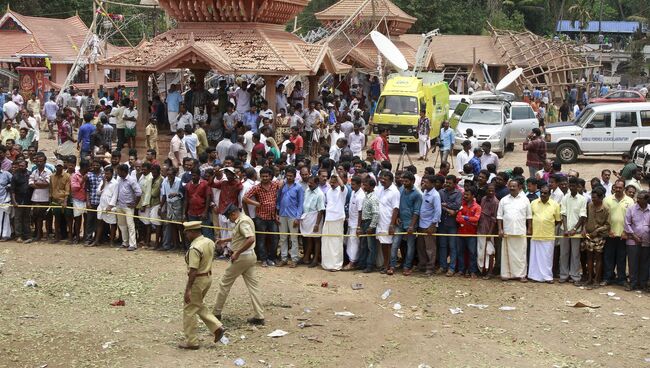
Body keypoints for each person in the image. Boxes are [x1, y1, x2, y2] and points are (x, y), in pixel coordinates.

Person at [213, 204, 265, 326]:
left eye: (229, 217)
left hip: (242, 257)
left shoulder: (242, 222)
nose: (229, 220)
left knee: (224, 283)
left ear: (233, 214)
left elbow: (250, 238)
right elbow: (240, 237)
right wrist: (225, 240)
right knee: (253, 287)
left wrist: (237, 252)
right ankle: (259, 315)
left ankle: (216, 313)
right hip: (250, 256)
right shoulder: (245, 219)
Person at [179, 221, 225, 350]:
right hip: (207, 277)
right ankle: (216, 327)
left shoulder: (195, 248)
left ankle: (192, 341)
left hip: (198, 279)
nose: (186, 235)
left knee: (189, 309)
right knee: (197, 304)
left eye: (187, 232)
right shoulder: (208, 242)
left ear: (193, 232)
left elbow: (193, 270)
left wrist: (188, 289)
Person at [497, 179, 532, 282]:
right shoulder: (503, 200)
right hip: (507, 232)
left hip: (520, 231)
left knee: (521, 255)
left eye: (514, 186)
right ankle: (506, 274)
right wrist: (500, 229)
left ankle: (521, 275)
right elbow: (499, 216)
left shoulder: (525, 200)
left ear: (519, 187)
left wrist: (529, 228)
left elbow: (529, 216)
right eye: (510, 186)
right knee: (506, 254)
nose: (512, 188)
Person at [244, 167, 279, 267]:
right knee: (261, 239)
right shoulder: (256, 187)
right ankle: (263, 259)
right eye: (263, 176)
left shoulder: (275, 185)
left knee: (275, 238)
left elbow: (282, 186)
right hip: (261, 218)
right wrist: (256, 204)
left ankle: (272, 258)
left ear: (270, 176)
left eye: (266, 176)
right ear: (260, 176)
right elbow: (245, 198)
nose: (264, 178)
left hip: (272, 217)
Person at [602, 179, 634, 286]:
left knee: (621, 258)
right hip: (610, 234)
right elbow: (603, 218)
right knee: (608, 257)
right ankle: (608, 278)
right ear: (614, 187)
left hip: (623, 235)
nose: (618, 189)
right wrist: (608, 230)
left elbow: (631, 219)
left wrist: (626, 232)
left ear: (624, 188)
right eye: (616, 187)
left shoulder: (630, 201)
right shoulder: (607, 200)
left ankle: (621, 279)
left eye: (620, 188)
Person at [389, 171, 422, 276]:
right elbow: (397, 205)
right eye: (403, 181)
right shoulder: (401, 189)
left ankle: (407, 267)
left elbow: (417, 212)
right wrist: (397, 217)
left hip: (410, 225)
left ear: (412, 181)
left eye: (406, 181)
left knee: (410, 246)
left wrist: (412, 226)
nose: (404, 183)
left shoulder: (417, 194)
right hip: (400, 223)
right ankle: (392, 266)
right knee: (395, 245)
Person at [528, 185, 561, 283]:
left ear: (549, 194)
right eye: (541, 192)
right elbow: (530, 218)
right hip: (536, 234)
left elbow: (558, 220)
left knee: (547, 258)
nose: (543, 194)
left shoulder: (555, 205)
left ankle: (547, 277)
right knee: (535, 258)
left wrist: (547, 224)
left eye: (545, 193)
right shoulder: (533, 203)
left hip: (548, 235)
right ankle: (535, 276)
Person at [108, 164, 142, 251]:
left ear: (123, 171)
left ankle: (133, 244)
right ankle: (125, 242)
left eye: (118, 171)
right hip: (120, 205)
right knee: (122, 225)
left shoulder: (131, 180)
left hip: (128, 206)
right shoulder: (119, 180)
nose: (117, 172)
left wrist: (135, 204)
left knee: (130, 225)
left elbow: (138, 193)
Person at [581, 187, 610, 287]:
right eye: (592, 197)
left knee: (598, 258)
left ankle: (597, 279)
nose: (593, 199)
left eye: (595, 198)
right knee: (589, 257)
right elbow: (585, 218)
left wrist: (597, 230)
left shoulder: (606, 209)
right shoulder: (589, 205)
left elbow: (607, 224)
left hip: (599, 237)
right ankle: (589, 278)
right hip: (589, 236)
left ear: (601, 197)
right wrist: (584, 228)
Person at [277, 166, 304, 267]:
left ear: (294, 176)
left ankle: (294, 259)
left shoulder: (299, 187)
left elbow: (300, 204)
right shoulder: (282, 186)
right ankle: (283, 258)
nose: (289, 177)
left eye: (291, 176)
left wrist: (298, 217)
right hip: (282, 214)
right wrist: (277, 212)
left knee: (294, 238)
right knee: (283, 238)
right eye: (287, 176)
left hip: (293, 216)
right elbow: (278, 200)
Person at [623, 191, 650, 291]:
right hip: (632, 241)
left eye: (640, 198)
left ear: (646, 199)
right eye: (637, 198)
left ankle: (643, 284)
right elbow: (627, 224)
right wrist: (634, 236)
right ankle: (633, 283)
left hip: (647, 242)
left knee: (645, 263)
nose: (638, 200)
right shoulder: (631, 209)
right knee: (632, 262)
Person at [321, 172, 348, 271]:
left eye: (334, 182)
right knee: (327, 242)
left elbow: (342, 186)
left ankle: (336, 265)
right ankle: (327, 264)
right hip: (328, 219)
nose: (332, 184)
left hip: (337, 219)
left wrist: (337, 175)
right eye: (331, 182)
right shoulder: (328, 192)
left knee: (336, 243)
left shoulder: (342, 191)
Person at [376, 170, 400, 274]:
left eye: (385, 179)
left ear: (391, 180)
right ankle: (385, 264)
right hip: (380, 221)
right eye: (381, 178)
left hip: (387, 222)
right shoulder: (381, 189)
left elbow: (396, 208)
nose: (382, 181)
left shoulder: (394, 191)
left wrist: (392, 224)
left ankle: (389, 265)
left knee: (388, 244)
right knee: (383, 244)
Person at [456, 185, 481, 278]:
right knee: (460, 252)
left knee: (472, 253)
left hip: (471, 234)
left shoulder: (477, 207)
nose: (465, 196)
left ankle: (472, 271)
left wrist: (465, 218)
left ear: (473, 195)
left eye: (467, 194)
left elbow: (476, 219)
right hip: (461, 232)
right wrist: (468, 219)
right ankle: (461, 270)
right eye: (464, 194)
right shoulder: (462, 205)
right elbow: (458, 219)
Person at [439, 175, 462, 276]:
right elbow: (438, 204)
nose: (447, 184)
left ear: (454, 184)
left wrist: (445, 204)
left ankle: (452, 268)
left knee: (453, 246)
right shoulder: (441, 192)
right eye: (446, 182)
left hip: (452, 224)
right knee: (442, 246)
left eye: (449, 183)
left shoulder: (458, 193)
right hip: (442, 223)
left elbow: (457, 205)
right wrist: (448, 209)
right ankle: (443, 266)